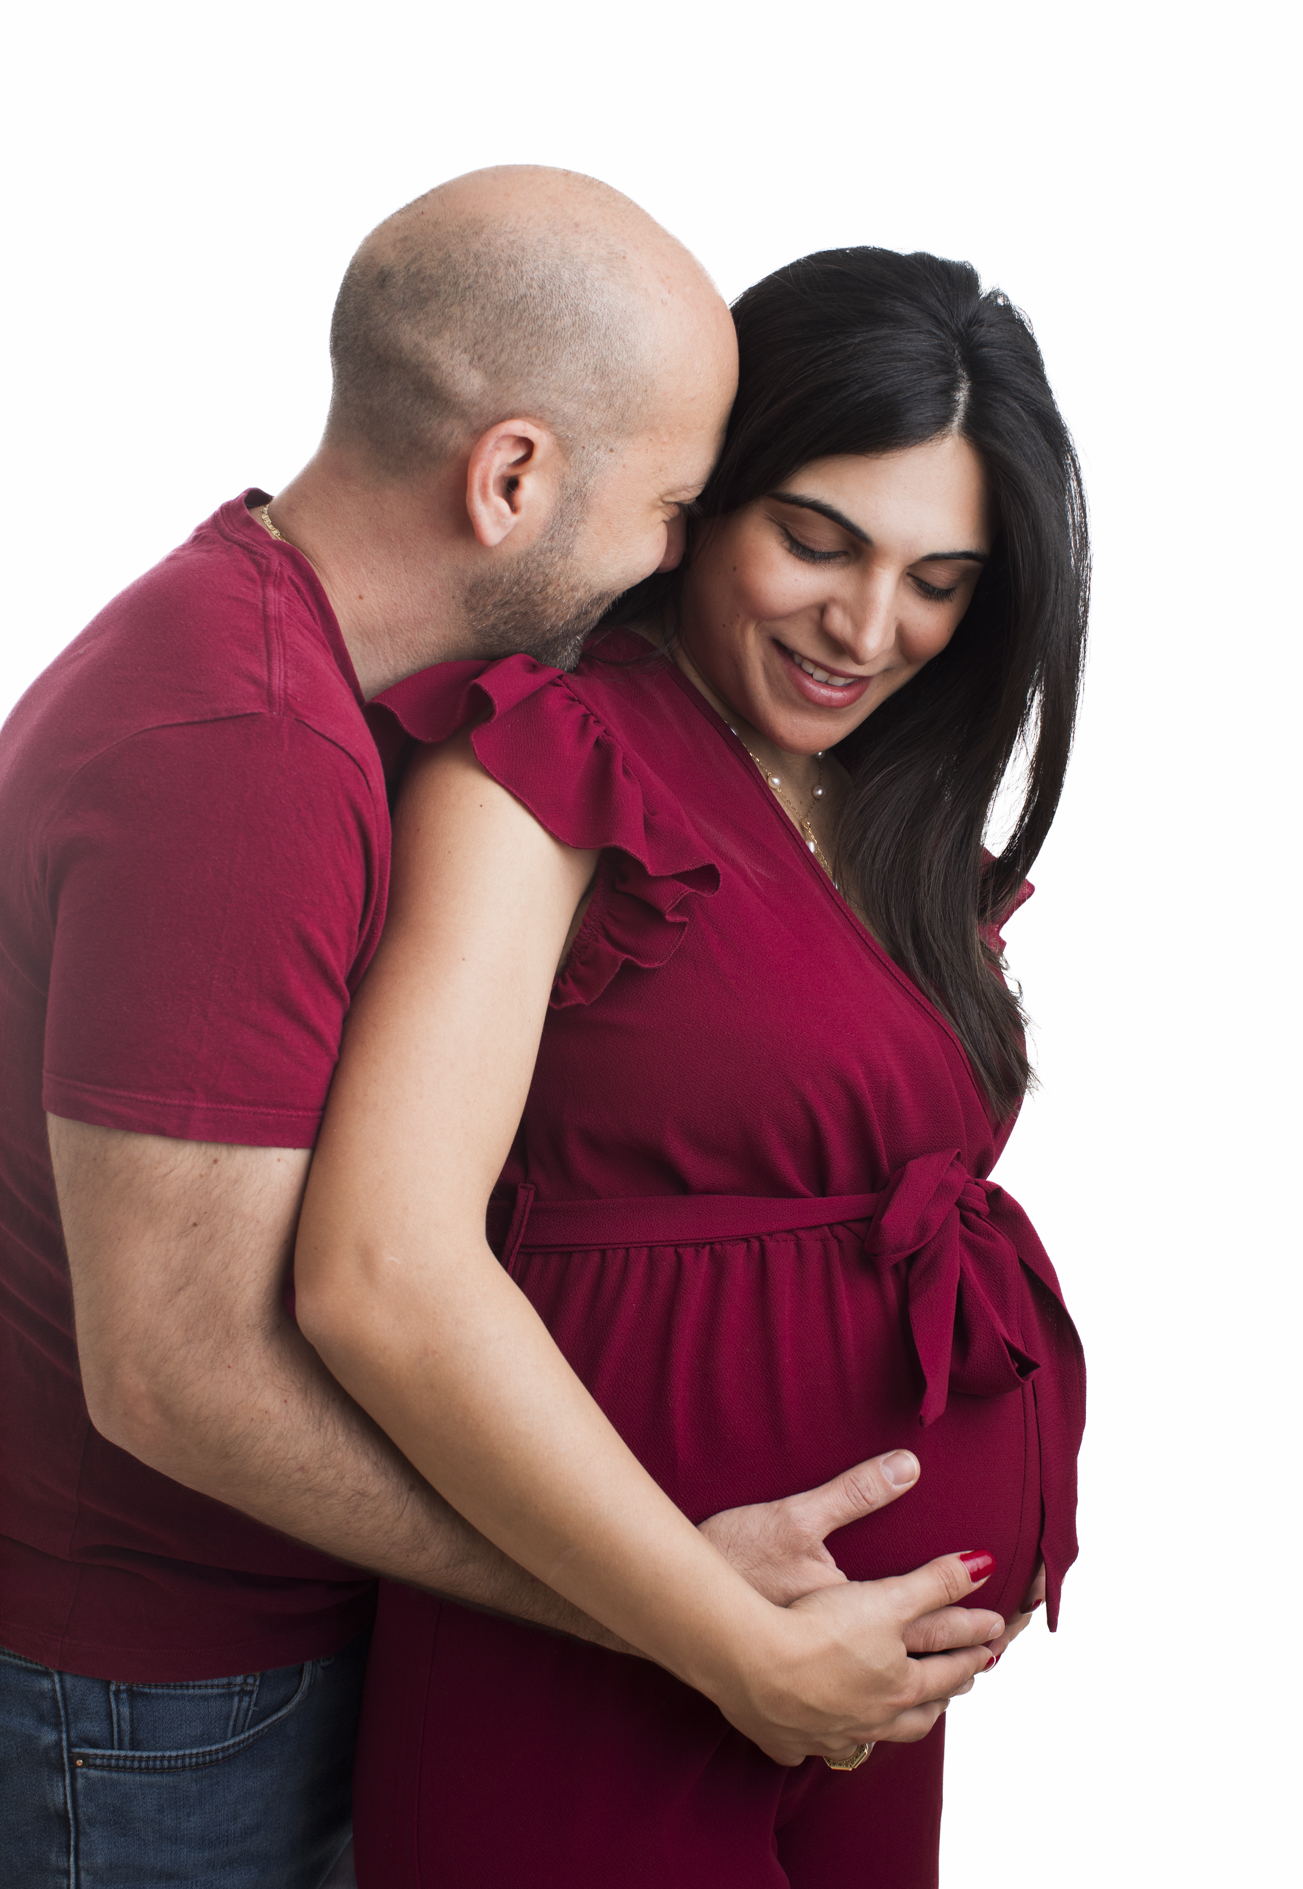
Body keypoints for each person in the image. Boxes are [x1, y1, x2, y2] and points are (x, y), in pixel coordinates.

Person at [0, 171, 975, 1889]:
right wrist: (676, 1609)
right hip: (154, 1695)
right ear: (512, 476)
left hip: (247, 1654)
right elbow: (179, 1376)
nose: (678, 559)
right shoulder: (243, 749)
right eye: (680, 509)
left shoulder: (289, 675)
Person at [293, 244, 1090, 1888]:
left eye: (940, 578)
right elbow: (382, 1269)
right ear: (705, 501)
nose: (868, 627)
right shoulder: (550, 758)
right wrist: (728, 1635)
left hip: (858, 1686)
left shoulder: (881, 806)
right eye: (818, 540)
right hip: (605, 1649)